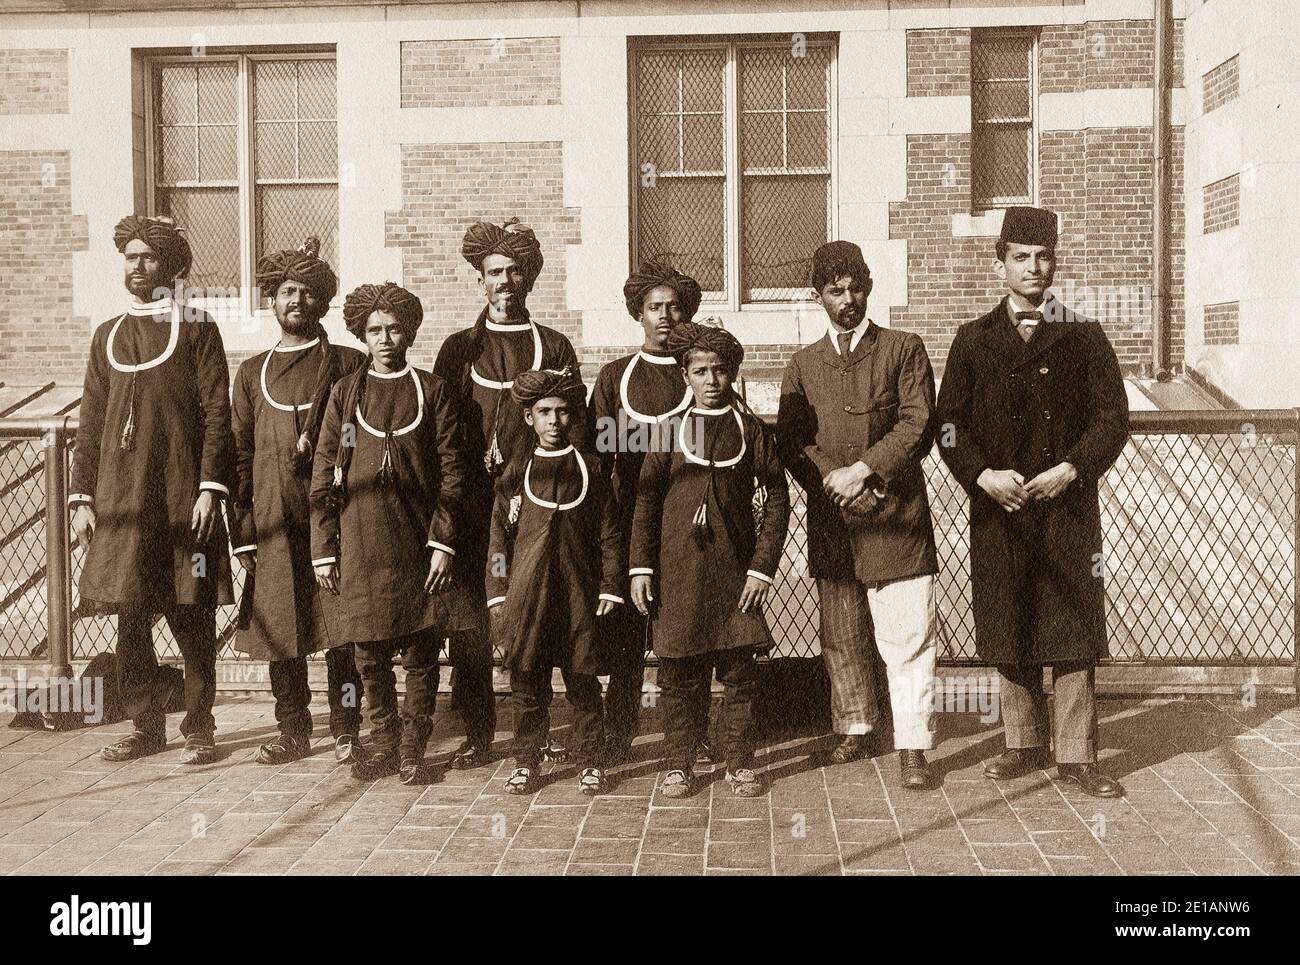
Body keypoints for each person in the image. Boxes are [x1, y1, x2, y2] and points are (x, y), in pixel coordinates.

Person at [934, 206, 1130, 798]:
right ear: (1001, 265)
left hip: (1067, 509)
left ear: (1055, 263)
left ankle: (1077, 755)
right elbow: (947, 426)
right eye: (1021, 257)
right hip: (1002, 509)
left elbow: (1113, 418)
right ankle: (1021, 742)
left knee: (1070, 625)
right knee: (1009, 617)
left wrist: (1072, 468)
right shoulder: (972, 340)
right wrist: (981, 475)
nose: (1034, 268)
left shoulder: (1084, 335)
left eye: (1044, 257)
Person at [777, 241, 941, 790]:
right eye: (834, 290)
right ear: (817, 294)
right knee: (842, 633)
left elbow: (918, 425)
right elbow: (795, 439)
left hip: (895, 515)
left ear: (868, 287)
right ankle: (855, 724)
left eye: (856, 288)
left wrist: (866, 471)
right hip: (834, 519)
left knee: (907, 636)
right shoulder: (802, 365)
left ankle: (913, 744)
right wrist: (834, 480)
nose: (847, 300)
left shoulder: (903, 348)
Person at [72, 215, 233, 766]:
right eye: (131, 257)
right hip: (122, 503)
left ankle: (199, 725)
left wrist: (211, 487)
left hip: (182, 496)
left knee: (191, 614)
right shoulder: (107, 335)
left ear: (171, 265)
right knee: (131, 618)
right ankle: (146, 725)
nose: (138, 267)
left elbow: (218, 413)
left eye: (148, 258)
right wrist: (82, 498)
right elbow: (91, 422)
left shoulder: (197, 328)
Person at [310, 282, 474, 784]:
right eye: (374, 330)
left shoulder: (432, 390)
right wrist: (324, 548)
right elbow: (322, 472)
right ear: (362, 333)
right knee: (370, 654)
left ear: (410, 333)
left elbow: (453, 473)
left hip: (418, 543)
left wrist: (443, 542)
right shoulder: (347, 393)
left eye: (394, 329)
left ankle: (412, 749)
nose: (384, 339)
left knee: (422, 652)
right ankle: (382, 742)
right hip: (360, 543)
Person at [432, 219, 580, 769]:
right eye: (494, 272)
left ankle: (549, 729)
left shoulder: (554, 345)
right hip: (472, 508)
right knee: (471, 621)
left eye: (515, 271)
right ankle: (477, 732)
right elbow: (439, 434)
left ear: (529, 278)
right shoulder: (456, 350)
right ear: (479, 281)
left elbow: (575, 431)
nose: (505, 282)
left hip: (537, 505)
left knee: (547, 612)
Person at [629, 322, 790, 798]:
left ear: (733, 374)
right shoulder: (665, 432)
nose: (711, 380)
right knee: (679, 674)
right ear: (686, 375)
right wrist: (640, 568)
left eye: (720, 371)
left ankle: (739, 761)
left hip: (735, 575)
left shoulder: (753, 431)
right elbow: (645, 502)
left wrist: (762, 567)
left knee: (739, 674)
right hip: (678, 575)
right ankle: (679, 762)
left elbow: (777, 499)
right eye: (700, 371)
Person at [230, 238, 365, 765]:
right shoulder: (251, 373)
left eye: (309, 293)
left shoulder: (349, 363)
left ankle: (348, 727)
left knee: (341, 629)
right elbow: (239, 459)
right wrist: (242, 531)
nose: (298, 302)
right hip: (273, 520)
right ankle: (293, 729)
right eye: (288, 291)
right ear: (272, 299)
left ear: (323, 302)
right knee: (282, 630)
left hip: (337, 516)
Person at [489, 368, 624, 795]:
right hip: (528, 598)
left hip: (578, 595)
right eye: (544, 412)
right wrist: (498, 594)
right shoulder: (515, 473)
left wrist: (609, 584)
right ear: (529, 418)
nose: (554, 421)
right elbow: (498, 542)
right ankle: (526, 761)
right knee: (527, 683)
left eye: (562, 412)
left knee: (582, 681)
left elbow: (610, 534)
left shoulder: (592, 470)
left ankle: (591, 760)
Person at [588, 264, 701, 765]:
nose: (665, 316)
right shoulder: (616, 377)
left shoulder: (701, 369)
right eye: (655, 308)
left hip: (686, 523)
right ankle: (618, 734)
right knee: (628, 639)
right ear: (638, 313)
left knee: (687, 631)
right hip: (630, 519)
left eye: (674, 307)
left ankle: (694, 733)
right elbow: (596, 453)